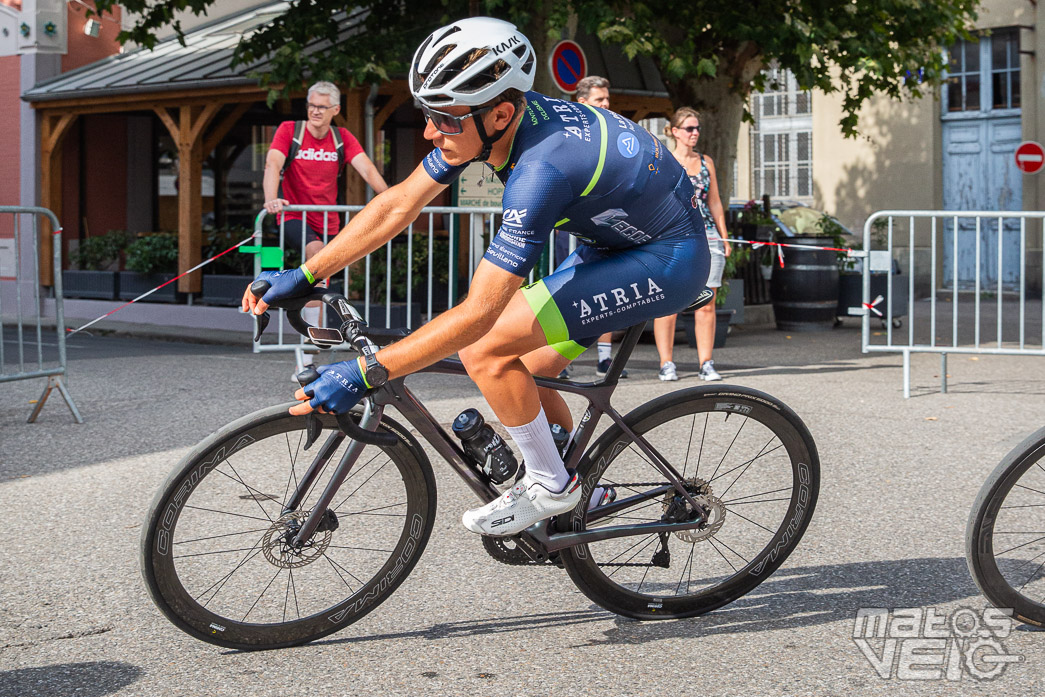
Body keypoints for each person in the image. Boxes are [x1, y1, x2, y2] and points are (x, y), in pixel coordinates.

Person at [244, 18, 709, 537]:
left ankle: (552, 486)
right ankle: (580, 486)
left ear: (501, 113)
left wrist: (366, 372)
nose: (428, 131)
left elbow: (477, 315)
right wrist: (308, 272)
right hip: (613, 245)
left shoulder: (541, 170)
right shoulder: (487, 127)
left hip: (668, 261)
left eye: (441, 118)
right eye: (427, 115)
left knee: (486, 349)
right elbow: (398, 203)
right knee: (522, 368)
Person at [262, 81, 389, 375]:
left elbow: (367, 168)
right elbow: (272, 164)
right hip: (295, 217)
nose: (315, 111)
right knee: (316, 257)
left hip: (329, 221)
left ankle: (309, 344)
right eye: (311, 106)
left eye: (321, 107)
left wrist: (391, 200)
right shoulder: (290, 131)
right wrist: (271, 199)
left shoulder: (341, 137)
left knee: (319, 282)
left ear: (335, 110)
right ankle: (309, 350)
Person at [554, 75, 626, 380]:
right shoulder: (568, 133)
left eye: (607, 99)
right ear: (582, 103)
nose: (607, 105)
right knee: (565, 291)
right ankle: (558, 357)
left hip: (605, 222)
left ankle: (604, 360)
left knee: (606, 289)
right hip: (572, 225)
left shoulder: (611, 131)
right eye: (600, 100)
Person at [653, 108, 731, 382]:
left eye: (697, 128)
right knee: (669, 301)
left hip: (708, 235)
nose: (695, 133)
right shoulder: (665, 160)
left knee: (707, 303)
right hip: (673, 237)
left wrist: (723, 235)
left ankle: (706, 363)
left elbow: (715, 201)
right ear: (675, 132)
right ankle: (666, 363)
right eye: (689, 128)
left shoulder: (706, 161)